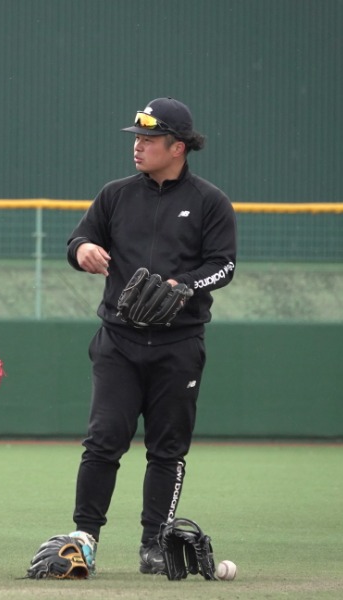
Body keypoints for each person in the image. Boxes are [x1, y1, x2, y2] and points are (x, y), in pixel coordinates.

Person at [65, 96, 237, 575]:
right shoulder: (116, 194)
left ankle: (155, 544)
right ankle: (85, 539)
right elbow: (78, 240)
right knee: (103, 441)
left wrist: (186, 286)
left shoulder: (209, 201)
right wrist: (84, 251)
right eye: (136, 138)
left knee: (167, 449)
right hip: (119, 340)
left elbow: (223, 265)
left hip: (178, 344)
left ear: (177, 147)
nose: (137, 147)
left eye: (148, 139)